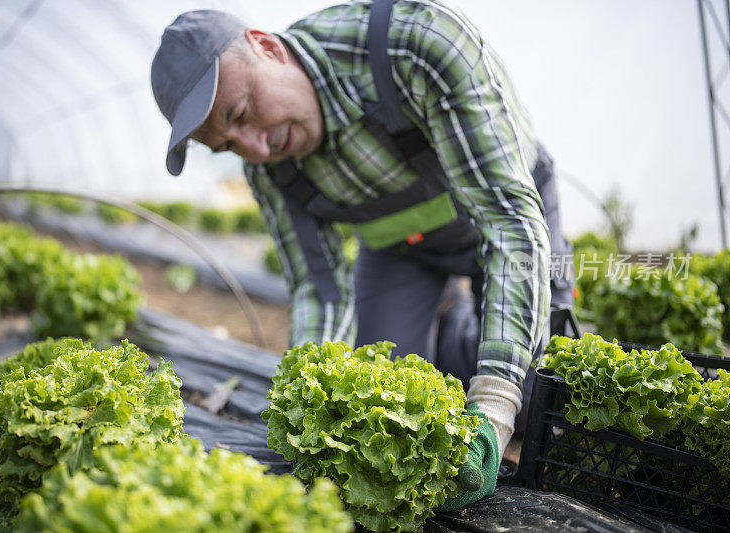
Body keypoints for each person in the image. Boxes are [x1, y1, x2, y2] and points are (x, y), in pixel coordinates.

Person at [151, 0, 573, 507]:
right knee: (386, 405)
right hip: (402, 248)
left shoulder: (415, 44)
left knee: (535, 401)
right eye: (229, 145)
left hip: (509, 217)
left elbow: (508, 224)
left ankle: (464, 325)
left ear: (266, 47)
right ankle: (449, 313)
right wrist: (311, 392)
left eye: (240, 113)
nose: (256, 149)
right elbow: (319, 286)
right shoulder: (269, 167)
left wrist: (496, 407)